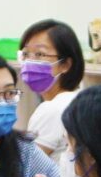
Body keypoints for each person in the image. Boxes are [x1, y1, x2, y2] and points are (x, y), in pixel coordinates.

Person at [18, 18, 86, 157]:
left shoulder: (52, 109)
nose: (29, 61)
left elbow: (26, 165)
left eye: (40, 54)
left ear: (65, 64)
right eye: (25, 54)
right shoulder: (79, 100)